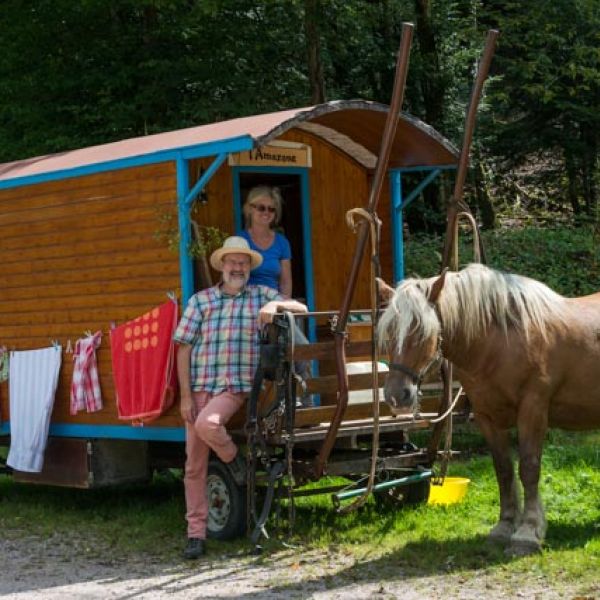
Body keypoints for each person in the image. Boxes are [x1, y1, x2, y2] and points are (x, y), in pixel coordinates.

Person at [173, 236, 307, 560]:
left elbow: (301, 307)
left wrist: (275, 306)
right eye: (232, 262)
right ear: (221, 266)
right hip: (201, 386)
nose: (237, 267)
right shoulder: (201, 301)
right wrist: (186, 396)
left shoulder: (260, 295)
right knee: (194, 467)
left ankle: (235, 461)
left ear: (249, 268)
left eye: (243, 263)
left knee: (209, 424)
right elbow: (183, 348)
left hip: (235, 387)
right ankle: (196, 534)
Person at [239, 185, 292, 297]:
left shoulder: (282, 242)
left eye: (271, 209)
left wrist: (284, 308)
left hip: (273, 303)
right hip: (244, 302)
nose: (266, 212)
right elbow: (228, 279)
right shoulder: (239, 240)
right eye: (261, 208)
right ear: (249, 209)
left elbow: (285, 283)